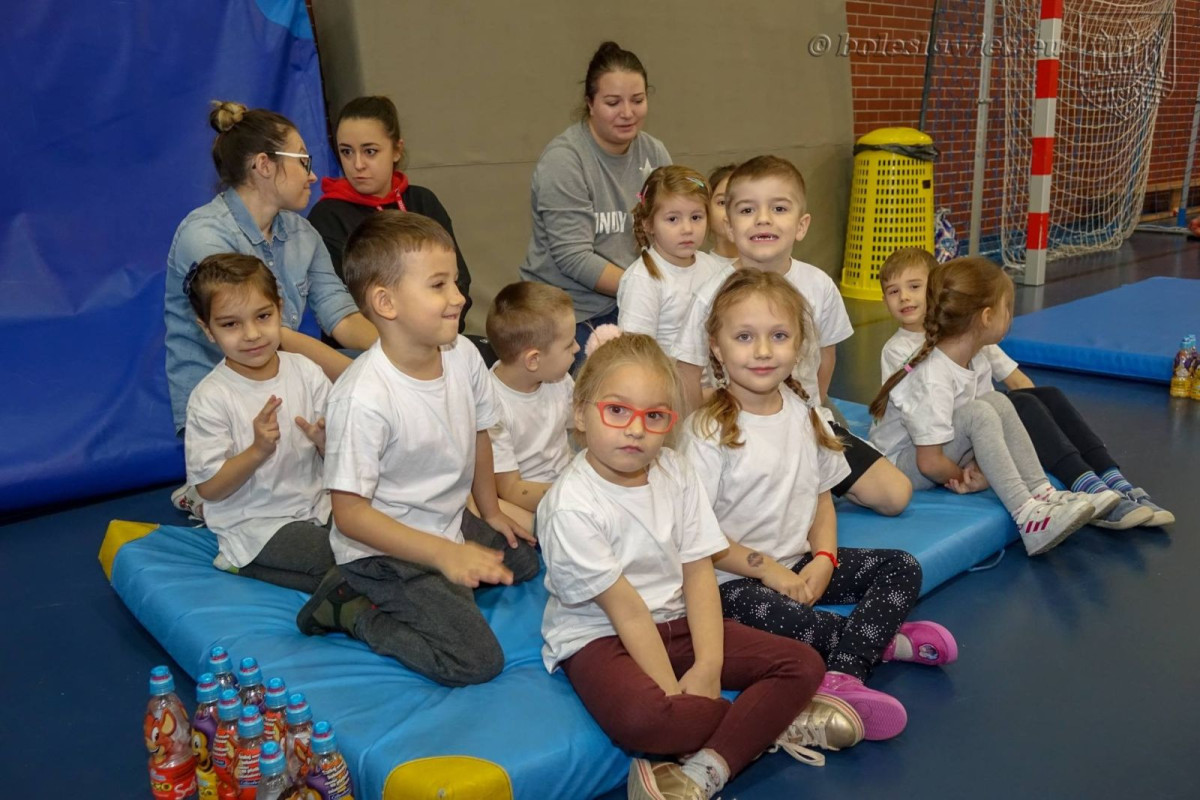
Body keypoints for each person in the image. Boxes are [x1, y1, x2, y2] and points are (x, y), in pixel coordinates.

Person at [539, 332, 860, 800]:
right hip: (601, 636)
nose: (635, 430)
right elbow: (627, 611)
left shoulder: (675, 470)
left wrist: (709, 666)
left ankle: (707, 765)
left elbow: (698, 573)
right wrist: (675, 696)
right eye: (616, 410)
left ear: (670, 424)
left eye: (654, 417)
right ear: (580, 413)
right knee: (645, 720)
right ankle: (767, 726)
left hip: (675, 623)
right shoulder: (572, 505)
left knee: (801, 663)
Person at [679, 270, 956, 742]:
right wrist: (768, 570)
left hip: (798, 562)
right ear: (717, 347)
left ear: (799, 344)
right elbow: (696, 539)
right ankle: (869, 653)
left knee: (902, 568)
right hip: (730, 583)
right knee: (799, 625)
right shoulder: (706, 432)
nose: (763, 351)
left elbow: (821, 496)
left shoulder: (805, 415)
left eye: (779, 336)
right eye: (745, 337)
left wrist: (824, 559)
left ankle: (845, 670)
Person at [295, 212, 538, 687]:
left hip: (442, 518)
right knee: (476, 661)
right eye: (439, 285)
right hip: (381, 548)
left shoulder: (463, 355)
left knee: (523, 562)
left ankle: (445, 565)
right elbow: (350, 515)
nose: (459, 297)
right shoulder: (363, 397)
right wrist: (442, 556)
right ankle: (351, 607)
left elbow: (479, 433)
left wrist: (489, 511)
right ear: (386, 302)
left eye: (455, 282)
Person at [672, 155, 912, 517]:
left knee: (896, 495)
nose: (763, 219)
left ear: (801, 225)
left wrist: (815, 413)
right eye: (748, 210)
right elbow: (687, 371)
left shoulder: (818, 285)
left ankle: (819, 483)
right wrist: (697, 437)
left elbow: (825, 358)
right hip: (737, 430)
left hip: (804, 425)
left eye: (778, 208)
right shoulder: (711, 293)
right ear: (730, 226)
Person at [878, 247, 1171, 529]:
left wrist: (1040, 420)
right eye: (894, 291)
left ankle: (1111, 477)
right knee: (1021, 406)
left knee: (1045, 397)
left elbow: (1019, 383)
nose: (905, 297)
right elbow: (936, 424)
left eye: (915, 287)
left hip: (965, 428)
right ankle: (1085, 484)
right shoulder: (914, 354)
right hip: (939, 439)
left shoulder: (964, 334)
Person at [166, 101, 377, 436]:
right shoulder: (204, 236)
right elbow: (265, 336)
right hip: (223, 406)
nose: (313, 175)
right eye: (303, 160)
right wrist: (370, 378)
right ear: (264, 165)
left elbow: (341, 314)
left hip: (281, 385)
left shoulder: (302, 233)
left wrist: (396, 352)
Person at [869, 257, 1099, 556]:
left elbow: (984, 424)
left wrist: (980, 463)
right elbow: (929, 462)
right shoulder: (933, 374)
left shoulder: (974, 355)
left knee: (996, 401)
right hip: (901, 463)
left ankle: (1043, 493)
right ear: (987, 317)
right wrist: (966, 477)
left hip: (939, 445)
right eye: (1008, 309)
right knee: (980, 411)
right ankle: (1026, 515)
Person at [183, 253, 335, 592]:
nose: (252, 334)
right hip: (255, 524)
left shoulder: (306, 371)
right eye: (230, 324)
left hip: (318, 506)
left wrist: (326, 444)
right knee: (334, 560)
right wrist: (257, 450)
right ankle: (241, 564)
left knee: (373, 544)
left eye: (263, 316)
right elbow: (209, 489)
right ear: (207, 329)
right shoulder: (211, 398)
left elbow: (340, 455)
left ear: (280, 309)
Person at [519, 41, 672, 364]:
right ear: (590, 103)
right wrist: (646, 287)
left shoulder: (654, 152)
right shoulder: (565, 160)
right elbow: (573, 257)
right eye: (613, 102)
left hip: (633, 300)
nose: (627, 113)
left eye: (638, 100)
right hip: (569, 314)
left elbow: (672, 225)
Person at [307, 95, 473, 331]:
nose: (358, 164)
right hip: (368, 346)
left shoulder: (422, 201)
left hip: (440, 333)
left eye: (370, 151)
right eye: (346, 152)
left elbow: (459, 280)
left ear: (397, 150)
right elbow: (349, 302)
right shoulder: (328, 215)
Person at [484, 282, 579, 533]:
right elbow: (511, 489)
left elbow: (583, 426)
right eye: (569, 344)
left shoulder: (558, 379)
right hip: (527, 500)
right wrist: (576, 491)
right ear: (534, 359)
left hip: (566, 481)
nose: (578, 348)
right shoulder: (492, 407)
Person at [616, 166, 723, 353]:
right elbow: (636, 353)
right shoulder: (643, 279)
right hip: (667, 380)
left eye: (696, 217)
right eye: (673, 219)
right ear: (648, 223)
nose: (688, 228)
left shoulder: (712, 267)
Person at [704, 164, 738, 266]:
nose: (731, 211)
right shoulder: (701, 268)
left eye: (743, 205)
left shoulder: (773, 264)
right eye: (722, 203)